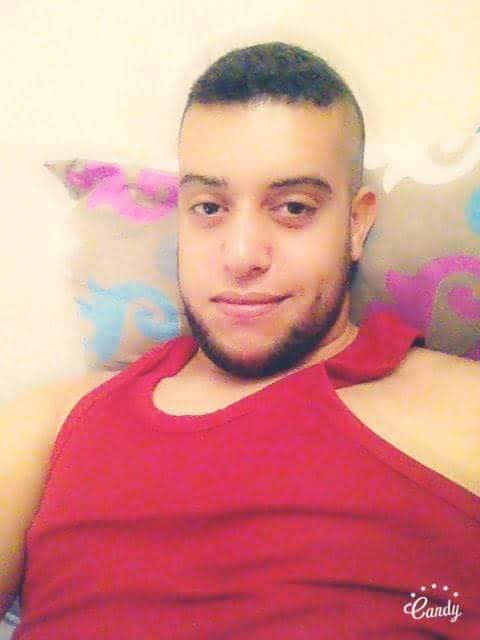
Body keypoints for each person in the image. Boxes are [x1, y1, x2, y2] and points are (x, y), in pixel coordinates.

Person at [2, 42, 479, 639]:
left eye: (293, 208)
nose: (242, 255)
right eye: (208, 208)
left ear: (356, 224)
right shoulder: (55, 423)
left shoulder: (466, 410)